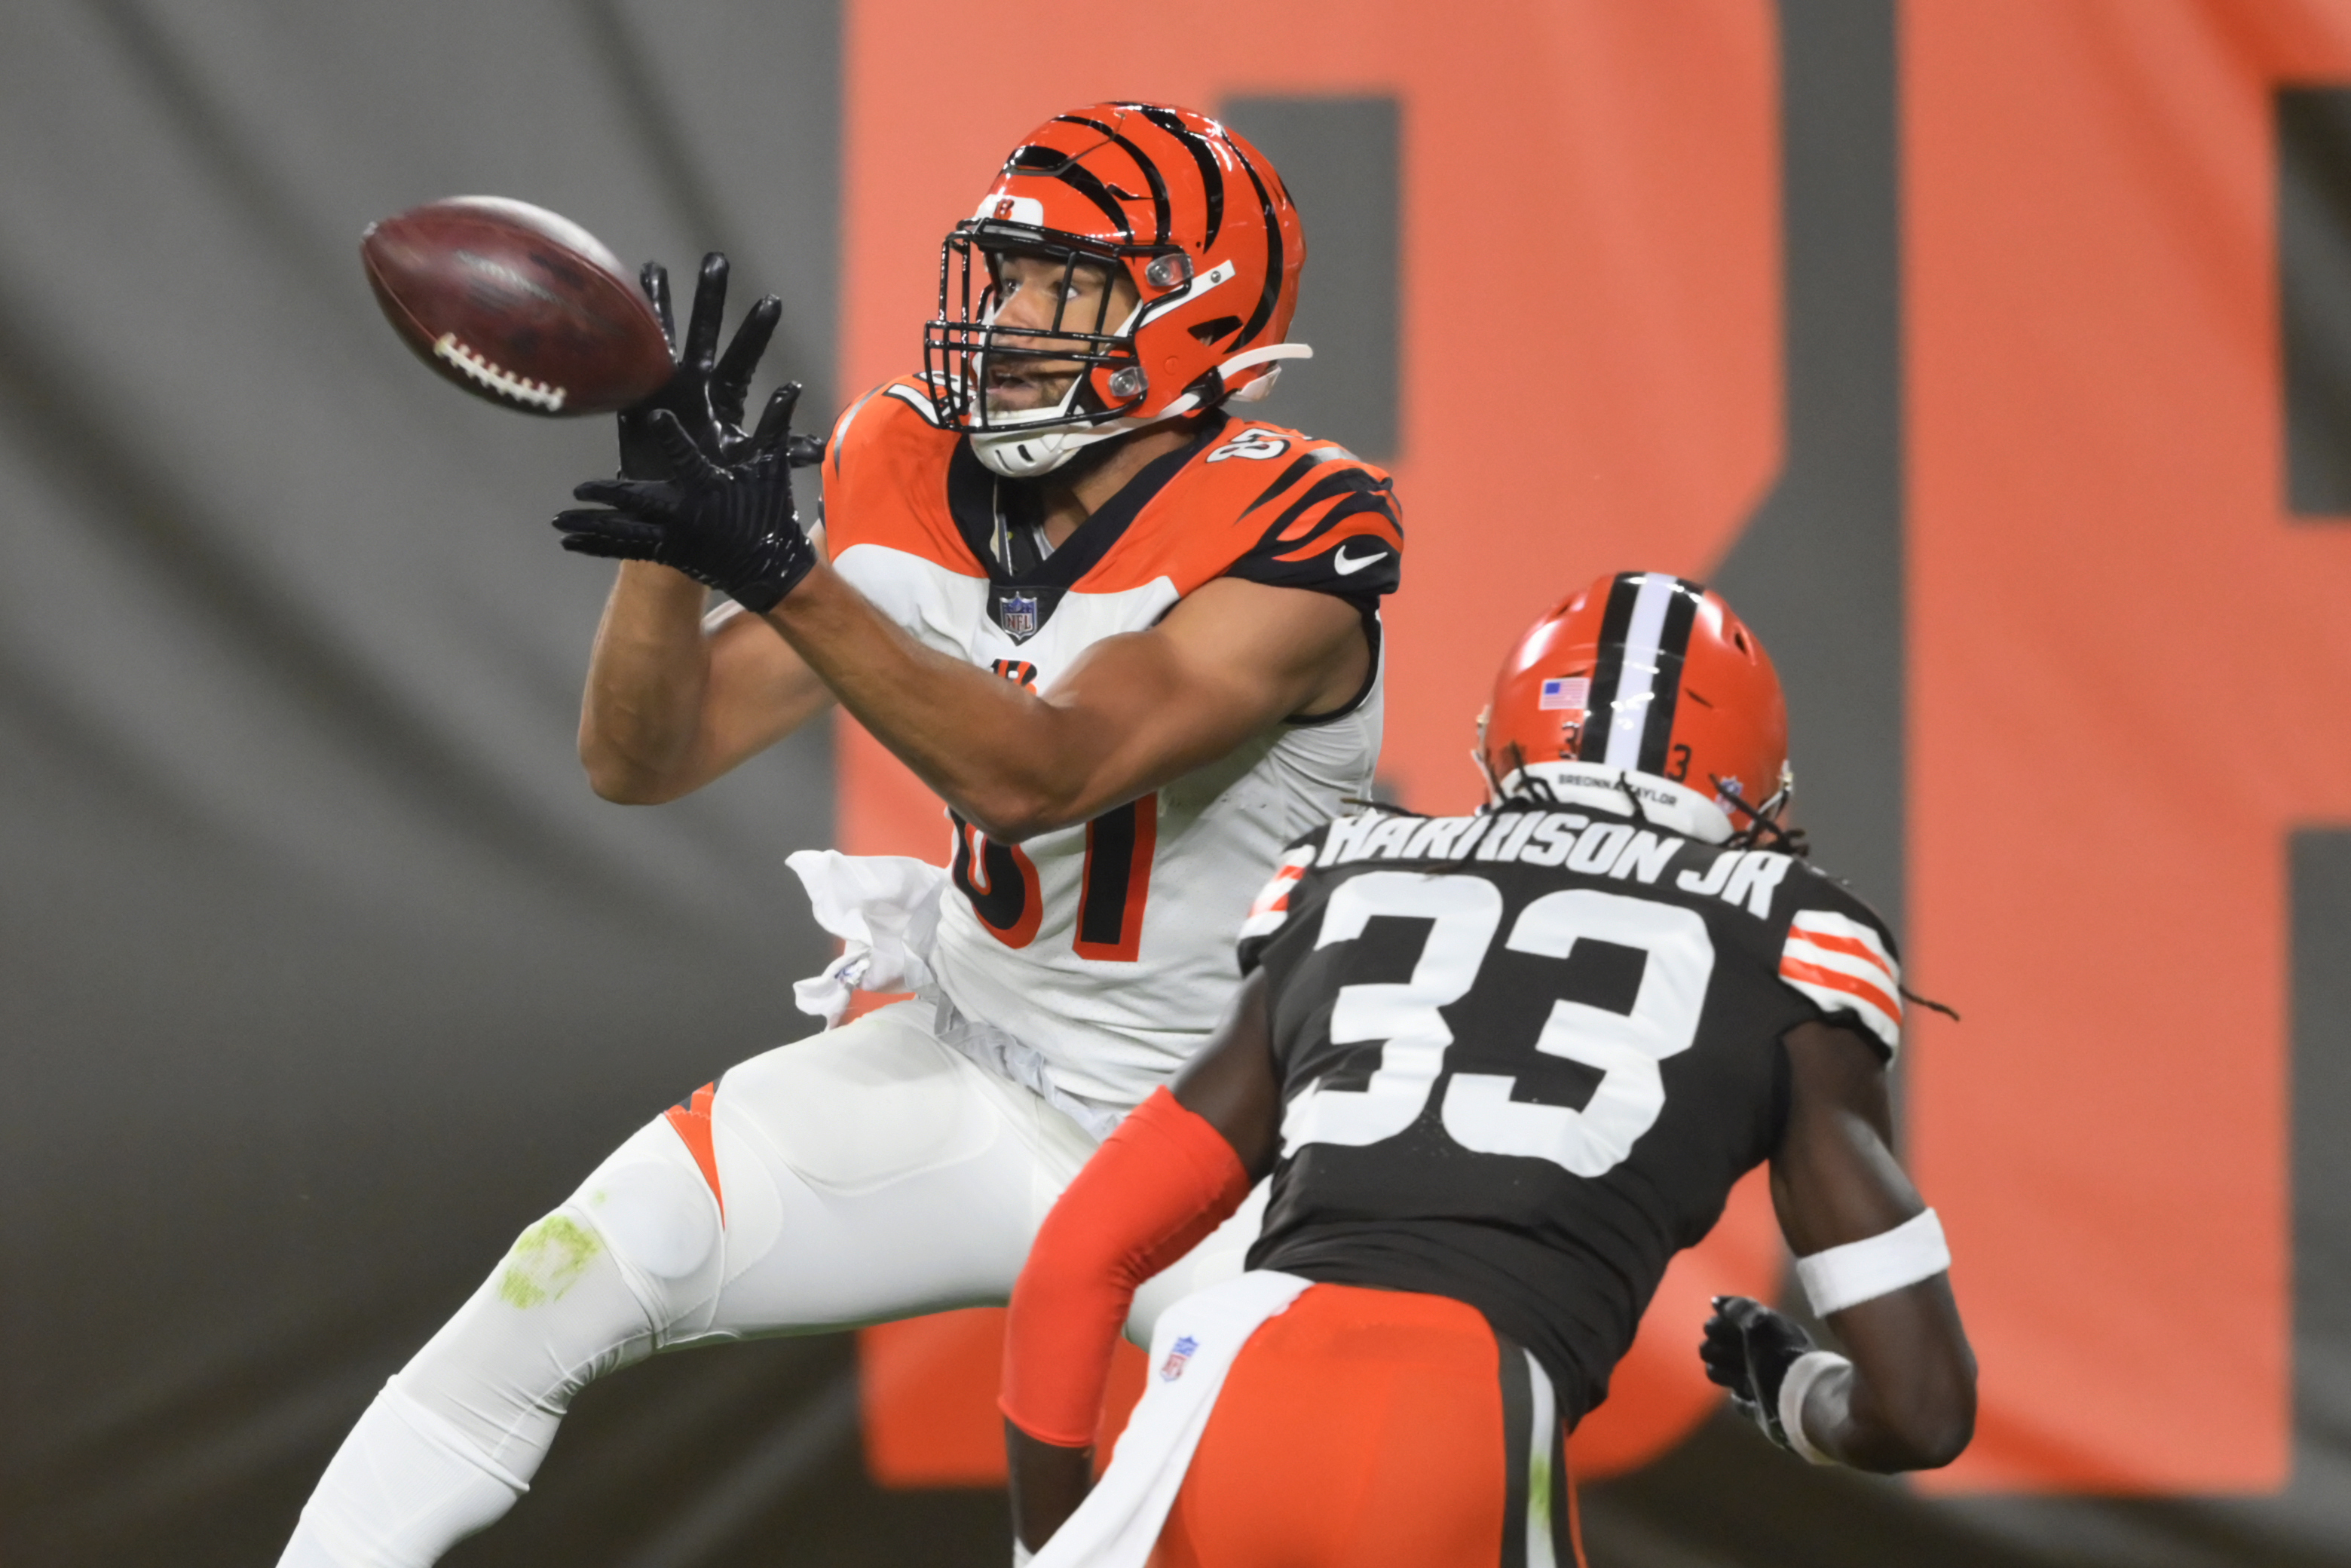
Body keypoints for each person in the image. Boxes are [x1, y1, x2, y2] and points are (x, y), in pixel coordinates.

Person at [278, 103, 1402, 1567]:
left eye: (1068, 284)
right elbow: (644, 754)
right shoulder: (914, 463)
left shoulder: (1296, 532)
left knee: (1342, 1512)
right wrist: (677, 549)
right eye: (1006, 276)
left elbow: (1045, 769)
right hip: (971, 1067)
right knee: (562, 1279)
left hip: (1229, 1159)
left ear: (1198, 314)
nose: (1010, 320)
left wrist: (783, 566)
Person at [999, 571, 1976, 1568]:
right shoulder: (1786, 938)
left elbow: (1080, 1254)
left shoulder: (1351, 875)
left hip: (1221, 1390)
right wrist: (1799, 1394)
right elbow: (1923, 1410)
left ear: (1506, 737)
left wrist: (1054, 1546)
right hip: (1458, 1413)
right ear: (1747, 787)